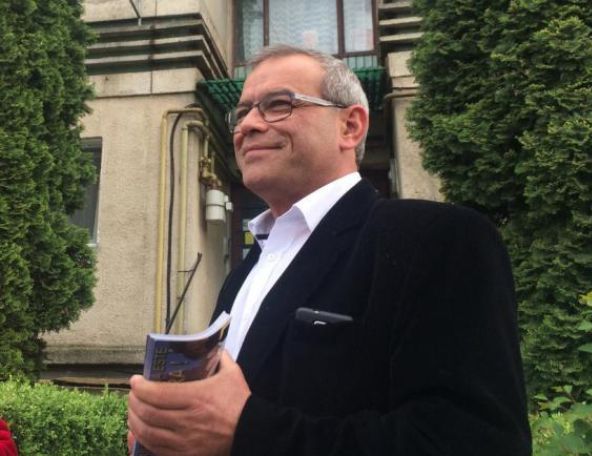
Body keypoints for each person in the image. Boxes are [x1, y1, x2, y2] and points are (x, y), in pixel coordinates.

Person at [128, 44, 532, 455]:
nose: (247, 125)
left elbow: (477, 442)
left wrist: (249, 431)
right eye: (243, 111)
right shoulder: (244, 272)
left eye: (278, 104)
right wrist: (173, 434)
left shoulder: (436, 239)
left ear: (350, 126)